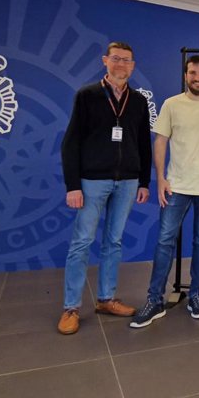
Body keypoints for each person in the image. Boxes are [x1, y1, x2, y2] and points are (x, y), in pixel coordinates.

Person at [130, 56, 199, 328]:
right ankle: (154, 300)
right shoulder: (171, 104)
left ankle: (195, 295)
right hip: (176, 186)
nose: (197, 78)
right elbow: (160, 142)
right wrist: (160, 178)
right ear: (186, 76)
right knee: (164, 241)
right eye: (192, 73)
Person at [58, 41, 151, 335]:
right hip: (92, 181)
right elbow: (70, 142)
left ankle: (106, 299)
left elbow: (142, 144)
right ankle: (70, 307)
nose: (121, 64)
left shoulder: (137, 101)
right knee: (82, 243)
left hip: (128, 182)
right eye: (116, 59)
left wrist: (144, 181)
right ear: (105, 61)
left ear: (133, 66)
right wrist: (73, 185)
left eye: (127, 60)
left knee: (114, 242)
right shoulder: (87, 95)